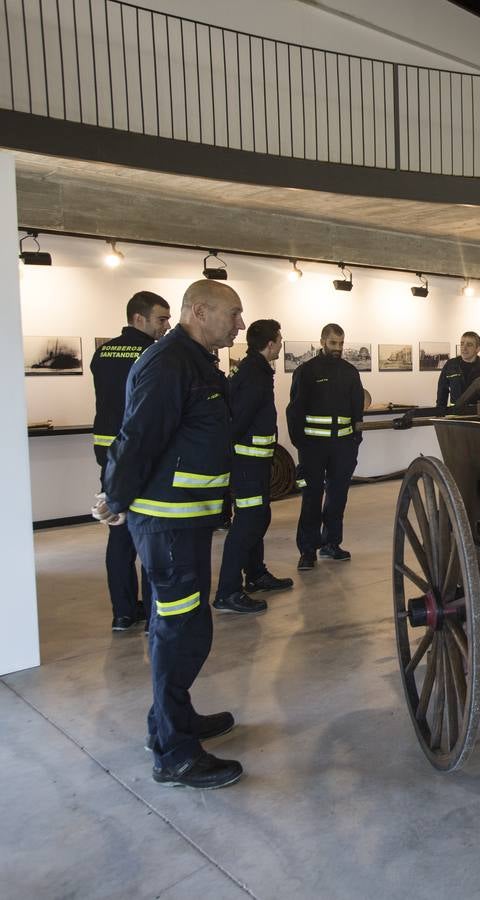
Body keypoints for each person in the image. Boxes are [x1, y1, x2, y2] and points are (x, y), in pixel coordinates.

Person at [92, 280, 246, 790]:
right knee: (180, 631)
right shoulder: (170, 361)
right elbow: (138, 434)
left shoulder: (196, 361)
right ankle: (174, 752)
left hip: (188, 519)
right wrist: (115, 497)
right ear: (198, 311)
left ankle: (170, 721)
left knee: (182, 627)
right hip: (168, 521)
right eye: (233, 314)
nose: (240, 324)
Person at [90, 291, 172, 632]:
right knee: (149, 532)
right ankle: (154, 609)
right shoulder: (153, 353)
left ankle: (123, 612)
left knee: (118, 533)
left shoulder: (102, 353)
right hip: (140, 452)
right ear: (139, 319)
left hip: (108, 452)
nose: (166, 327)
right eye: (160, 319)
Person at [214, 319, 293, 614]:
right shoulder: (254, 374)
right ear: (270, 343)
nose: (281, 344)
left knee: (258, 517)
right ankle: (227, 591)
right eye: (280, 339)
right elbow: (239, 419)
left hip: (255, 462)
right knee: (247, 523)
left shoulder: (252, 369)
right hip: (247, 463)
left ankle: (256, 574)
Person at [287, 323, 364, 570]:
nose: (337, 348)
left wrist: (354, 441)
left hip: (342, 446)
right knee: (311, 497)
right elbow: (295, 410)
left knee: (338, 495)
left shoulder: (350, 372)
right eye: (333, 343)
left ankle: (332, 543)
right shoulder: (306, 371)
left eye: (341, 344)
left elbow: (357, 409)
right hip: (313, 447)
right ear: (322, 341)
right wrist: (300, 443)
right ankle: (307, 550)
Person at [435, 331, 480, 410]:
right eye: (462, 344)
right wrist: (439, 413)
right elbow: (442, 391)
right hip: (455, 414)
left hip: (478, 414)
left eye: (469, 345)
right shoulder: (451, 365)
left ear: (478, 348)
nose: (464, 348)